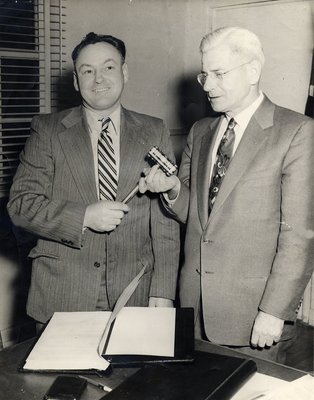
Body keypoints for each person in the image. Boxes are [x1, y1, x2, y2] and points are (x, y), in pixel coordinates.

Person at [139, 26, 314, 362]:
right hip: (194, 306)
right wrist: (174, 189)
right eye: (205, 75)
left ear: (252, 71)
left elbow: (300, 236)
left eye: (219, 74)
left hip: (253, 315)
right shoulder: (201, 131)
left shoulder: (296, 132)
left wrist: (274, 311)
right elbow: (199, 214)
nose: (207, 86)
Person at [7, 32, 180, 325]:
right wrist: (83, 216)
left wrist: (163, 291)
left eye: (108, 67)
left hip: (135, 295)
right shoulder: (47, 131)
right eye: (87, 71)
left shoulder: (154, 129)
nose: (98, 79)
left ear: (124, 72)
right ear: (76, 81)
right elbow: (20, 206)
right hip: (62, 296)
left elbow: (165, 222)